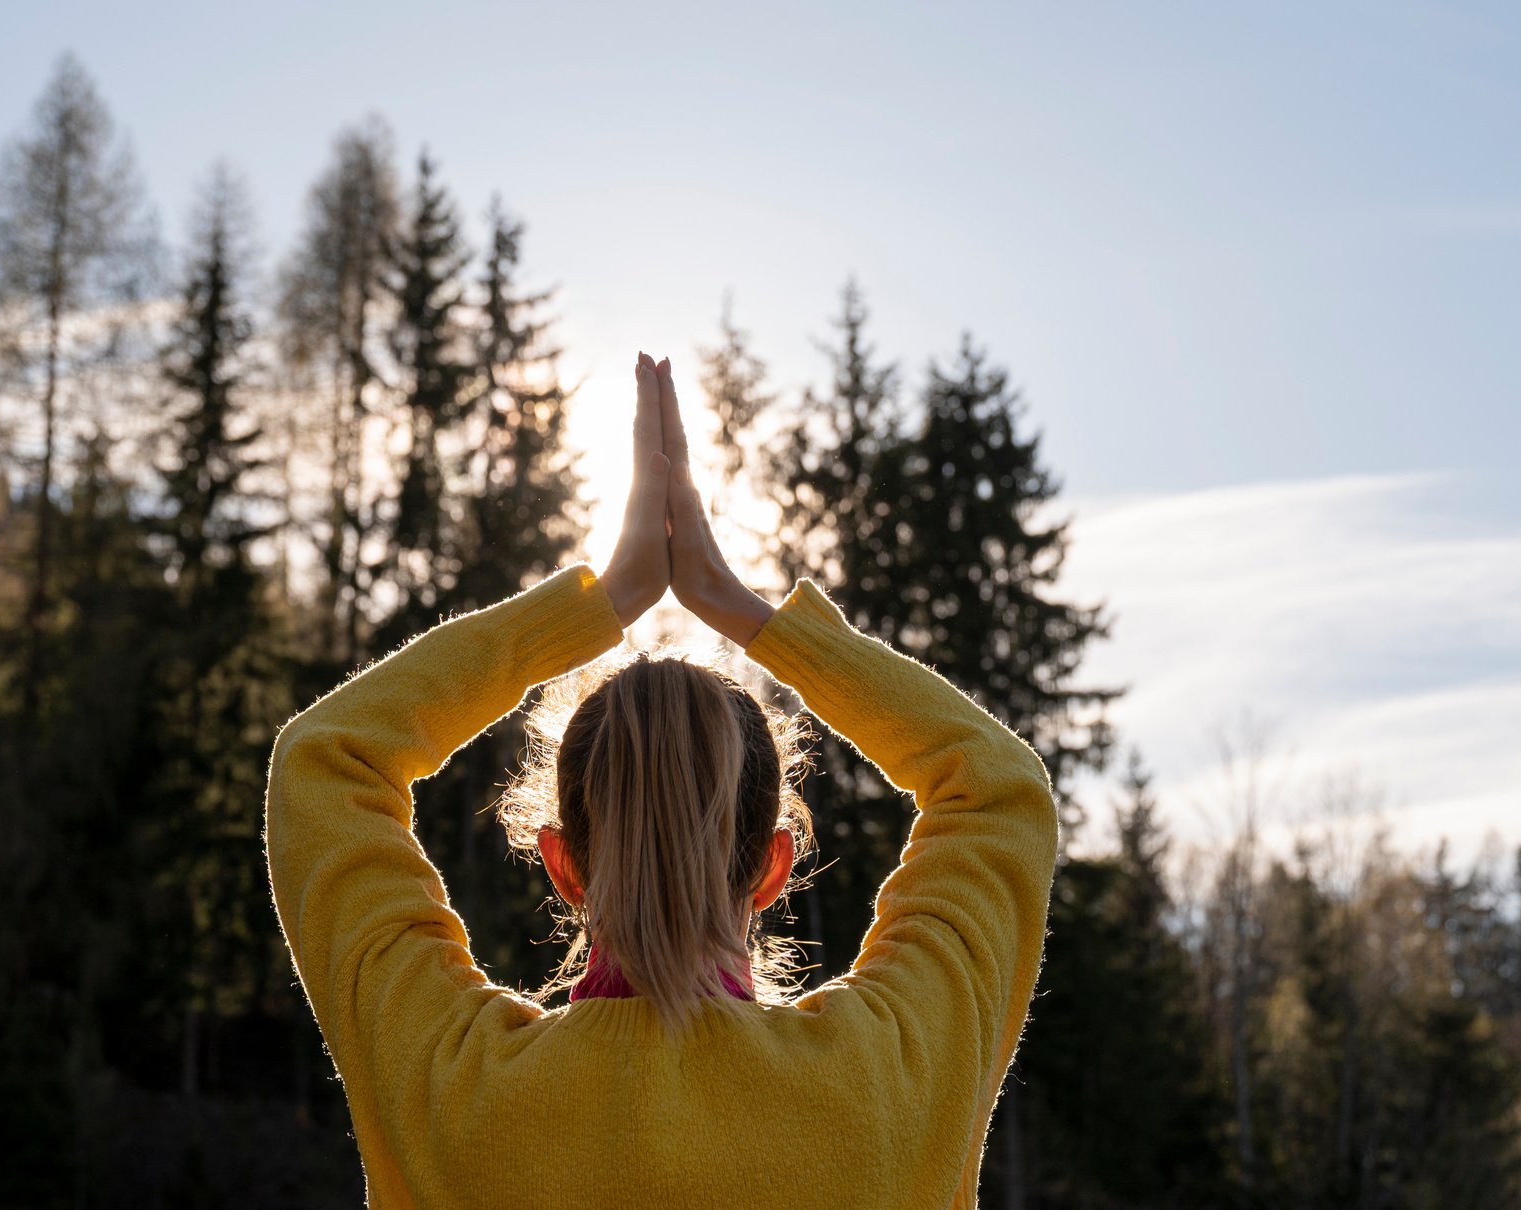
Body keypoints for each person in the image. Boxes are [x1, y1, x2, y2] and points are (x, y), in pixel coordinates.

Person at [264, 351, 1059, 1208]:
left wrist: (602, 602)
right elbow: (997, 785)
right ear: (774, 868)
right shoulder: (886, 1080)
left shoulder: (457, 1084)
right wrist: (741, 609)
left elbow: (327, 758)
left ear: (563, 865)